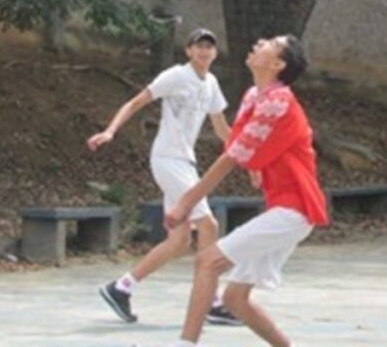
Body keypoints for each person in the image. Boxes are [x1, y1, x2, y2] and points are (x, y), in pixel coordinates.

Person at [164, 34, 327, 347]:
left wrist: (185, 203)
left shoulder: (278, 100)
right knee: (235, 299)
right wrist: (255, 167)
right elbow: (242, 145)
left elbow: (232, 157)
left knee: (208, 261)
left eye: (271, 43)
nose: (260, 42)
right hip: (285, 210)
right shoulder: (255, 95)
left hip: (295, 210)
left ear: (278, 64)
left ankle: (186, 343)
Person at [86, 27, 238, 326]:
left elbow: (222, 128)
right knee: (208, 225)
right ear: (188, 50)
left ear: (215, 52)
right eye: (198, 46)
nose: (204, 51)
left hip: (185, 163)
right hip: (168, 160)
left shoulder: (211, 83)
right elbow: (136, 102)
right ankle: (211, 301)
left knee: (179, 241)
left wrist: (250, 157)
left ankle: (121, 288)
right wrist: (110, 131)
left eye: (209, 46)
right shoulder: (175, 76)